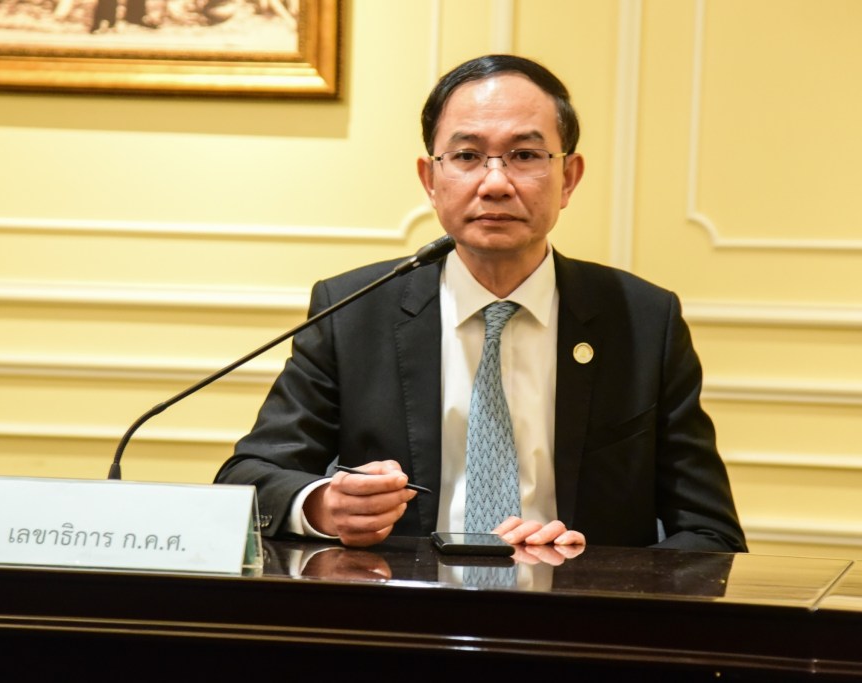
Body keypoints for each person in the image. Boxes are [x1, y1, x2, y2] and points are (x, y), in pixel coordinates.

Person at [214, 54, 747, 553]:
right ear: (430, 180)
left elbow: (711, 534)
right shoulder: (353, 311)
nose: (495, 183)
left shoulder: (644, 321)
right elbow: (247, 480)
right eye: (467, 156)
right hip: (402, 609)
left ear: (568, 178)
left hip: (575, 611)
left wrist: (592, 572)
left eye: (525, 156)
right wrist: (323, 506)